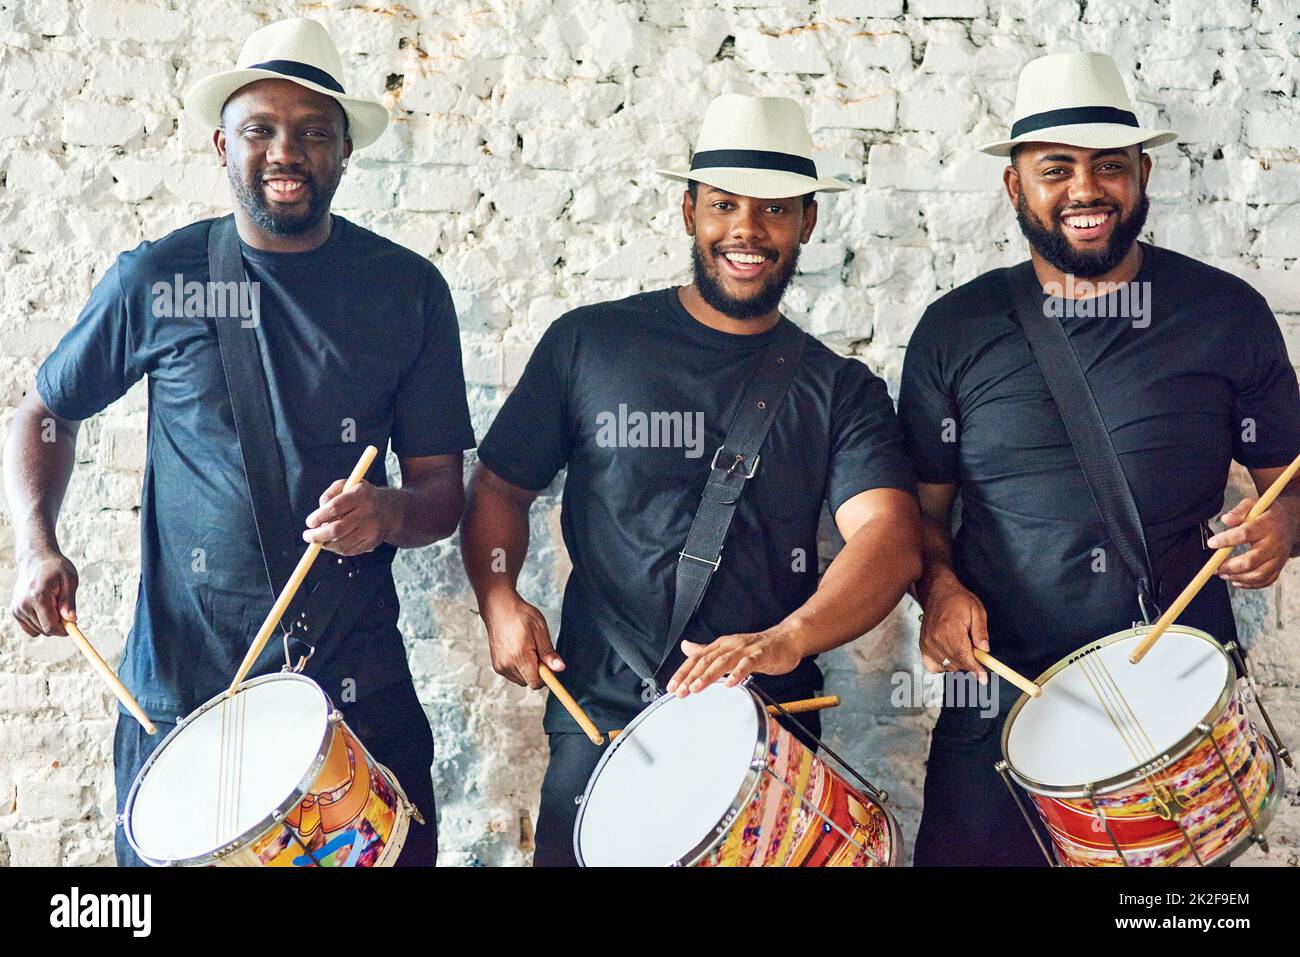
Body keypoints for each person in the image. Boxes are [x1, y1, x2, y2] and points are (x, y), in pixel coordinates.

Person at [4, 17, 475, 866]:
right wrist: (36, 545)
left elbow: (443, 496)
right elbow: (44, 412)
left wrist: (387, 512)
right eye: (261, 129)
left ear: (343, 153)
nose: (285, 152)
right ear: (224, 143)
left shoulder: (409, 292)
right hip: (186, 691)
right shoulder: (158, 277)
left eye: (313, 133)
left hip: (352, 688)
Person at [460, 93, 922, 866]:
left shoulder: (839, 388)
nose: (747, 229)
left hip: (764, 726)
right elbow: (502, 488)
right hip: (599, 715)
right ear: (688, 213)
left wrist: (789, 637)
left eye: (775, 209)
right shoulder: (589, 343)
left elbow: (890, 537)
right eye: (724, 205)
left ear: (806, 222)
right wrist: (499, 597)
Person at [898, 51, 1300, 865]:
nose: (1086, 189)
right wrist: (937, 587)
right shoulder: (954, 331)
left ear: (1142, 173)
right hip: (1001, 690)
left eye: (1109, 166)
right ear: (1015, 187)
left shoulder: (1228, 314)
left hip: (1173, 690)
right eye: (1056, 169)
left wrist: (1283, 524)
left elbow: (1288, 483)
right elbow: (919, 519)